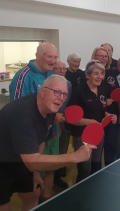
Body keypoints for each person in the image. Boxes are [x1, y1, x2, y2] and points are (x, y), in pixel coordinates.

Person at [0, 75, 95, 211]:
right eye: (57, 92)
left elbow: (41, 140)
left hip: (15, 157)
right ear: (42, 92)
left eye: (64, 94)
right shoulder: (24, 115)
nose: (61, 98)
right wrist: (74, 156)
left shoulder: (49, 110)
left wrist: (35, 171)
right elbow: (32, 161)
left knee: (33, 192)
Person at [9, 42, 60, 202]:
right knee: (35, 174)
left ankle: (46, 202)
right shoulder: (23, 76)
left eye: (55, 57)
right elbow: (17, 110)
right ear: (38, 56)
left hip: (52, 132)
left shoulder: (52, 74)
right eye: (49, 56)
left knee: (50, 168)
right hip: (33, 137)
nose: (52, 61)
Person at [68, 60, 117, 182]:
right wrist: (89, 122)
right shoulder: (79, 91)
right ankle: (83, 195)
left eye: (101, 73)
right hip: (82, 134)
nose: (99, 77)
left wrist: (109, 115)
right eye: (96, 73)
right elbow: (70, 118)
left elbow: (101, 109)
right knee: (85, 168)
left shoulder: (102, 89)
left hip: (98, 132)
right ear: (88, 75)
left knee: (96, 165)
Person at [91, 47, 120, 166]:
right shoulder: (88, 73)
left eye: (105, 56)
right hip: (96, 116)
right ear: (94, 56)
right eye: (100, 56)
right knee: (96, 147)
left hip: (111, 116)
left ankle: (110, 168)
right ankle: (95, 172)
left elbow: (117, 93)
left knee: (110, 144)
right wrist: (103, 102)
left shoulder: (112, 73)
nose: (103, 58)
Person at [51, 60, 72, 191]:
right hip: (51, 121)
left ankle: (57, 177)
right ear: (52, 70)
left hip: (63, 120)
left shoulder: (68, 84)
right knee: (51, 150)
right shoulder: (49, 84)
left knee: (62, 149)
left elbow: (66, 102)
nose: (62, 71)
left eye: (64, 69)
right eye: (58, 69)